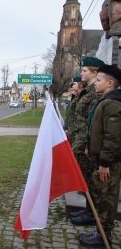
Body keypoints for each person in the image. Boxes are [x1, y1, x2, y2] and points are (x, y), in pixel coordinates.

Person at [78, 65, 121, 247]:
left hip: (109, 163)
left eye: (99, 80)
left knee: (107, 199)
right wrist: (90, 147)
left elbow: (113, 137)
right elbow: (97, 131)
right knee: (101, 196)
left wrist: (105, 162)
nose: (95, 84)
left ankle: (104, 237)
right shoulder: (104, 101)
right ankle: (100, 231)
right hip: (100, 159)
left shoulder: (112, 103)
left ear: (110, 83)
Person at [69, 57, 105, 226]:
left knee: (88, 180)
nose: (81, 73)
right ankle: (88, 209)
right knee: (84, 178)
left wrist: (88, 145)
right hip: (79, 139)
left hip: (85, 142)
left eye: (84, 71)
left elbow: (92, 121)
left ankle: (91, 214)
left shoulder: (93, 93)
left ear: (94, 73)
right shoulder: (86, 92)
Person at [63, 76, 87, 144]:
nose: (72, 86)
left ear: (81, 85)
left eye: (74, 84)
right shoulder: (75, 99)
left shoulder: (82, 98)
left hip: (78, 133)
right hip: (72, 131)